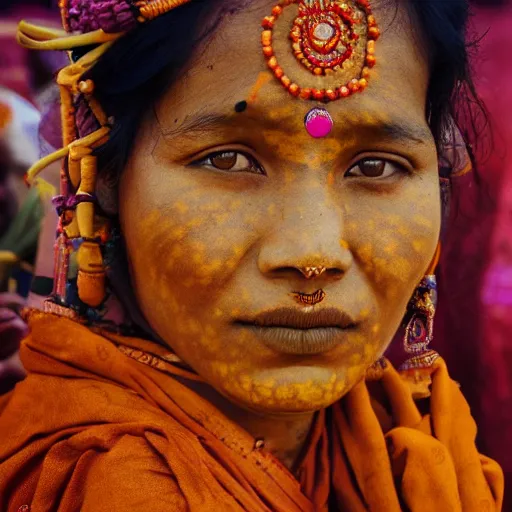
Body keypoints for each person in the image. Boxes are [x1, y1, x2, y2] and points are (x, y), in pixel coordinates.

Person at [0, 0, 505, 510]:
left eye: (375, 167)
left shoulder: (409, 448)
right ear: (104, 173)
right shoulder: (112, 484)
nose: (313, 253)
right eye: (228, 159)